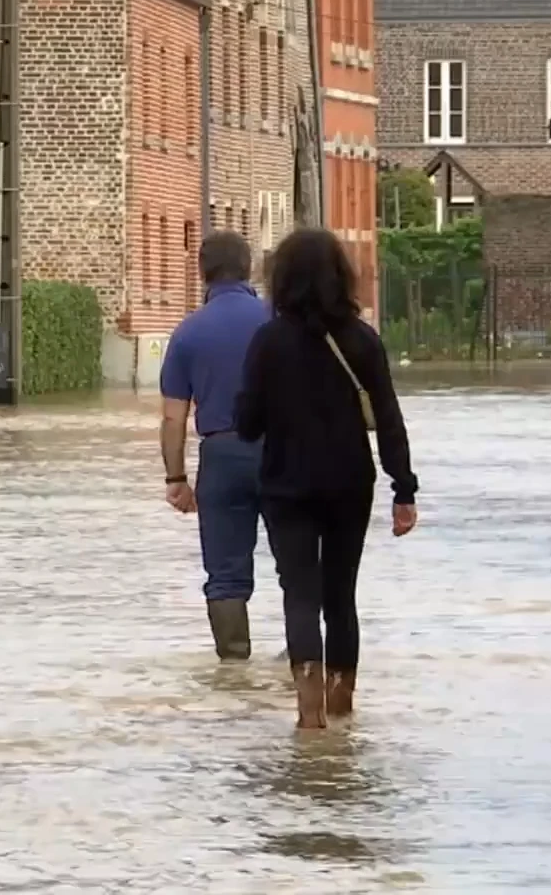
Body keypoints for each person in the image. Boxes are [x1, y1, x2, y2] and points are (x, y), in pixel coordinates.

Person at [233, 227, 419, 730]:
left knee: (300, 594)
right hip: (349, 483)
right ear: (341, 277)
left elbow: (246, 424)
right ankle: (342, 706)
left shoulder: (267, 342)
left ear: (283, 280)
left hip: (286, 484)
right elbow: (389, 418)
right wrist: (404, 488)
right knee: (341, 595)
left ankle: (309, 714)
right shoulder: (363, 341)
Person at [158, 230, 270, 661]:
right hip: (281, 452)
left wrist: (176, 478)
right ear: (249, 267)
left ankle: (234, 669)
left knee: (224, 574)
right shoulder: (276, 321)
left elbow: (173, 416)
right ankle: (304, 662)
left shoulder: (188, 333)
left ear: (202, 271)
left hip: (220, 456)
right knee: (297, 563)